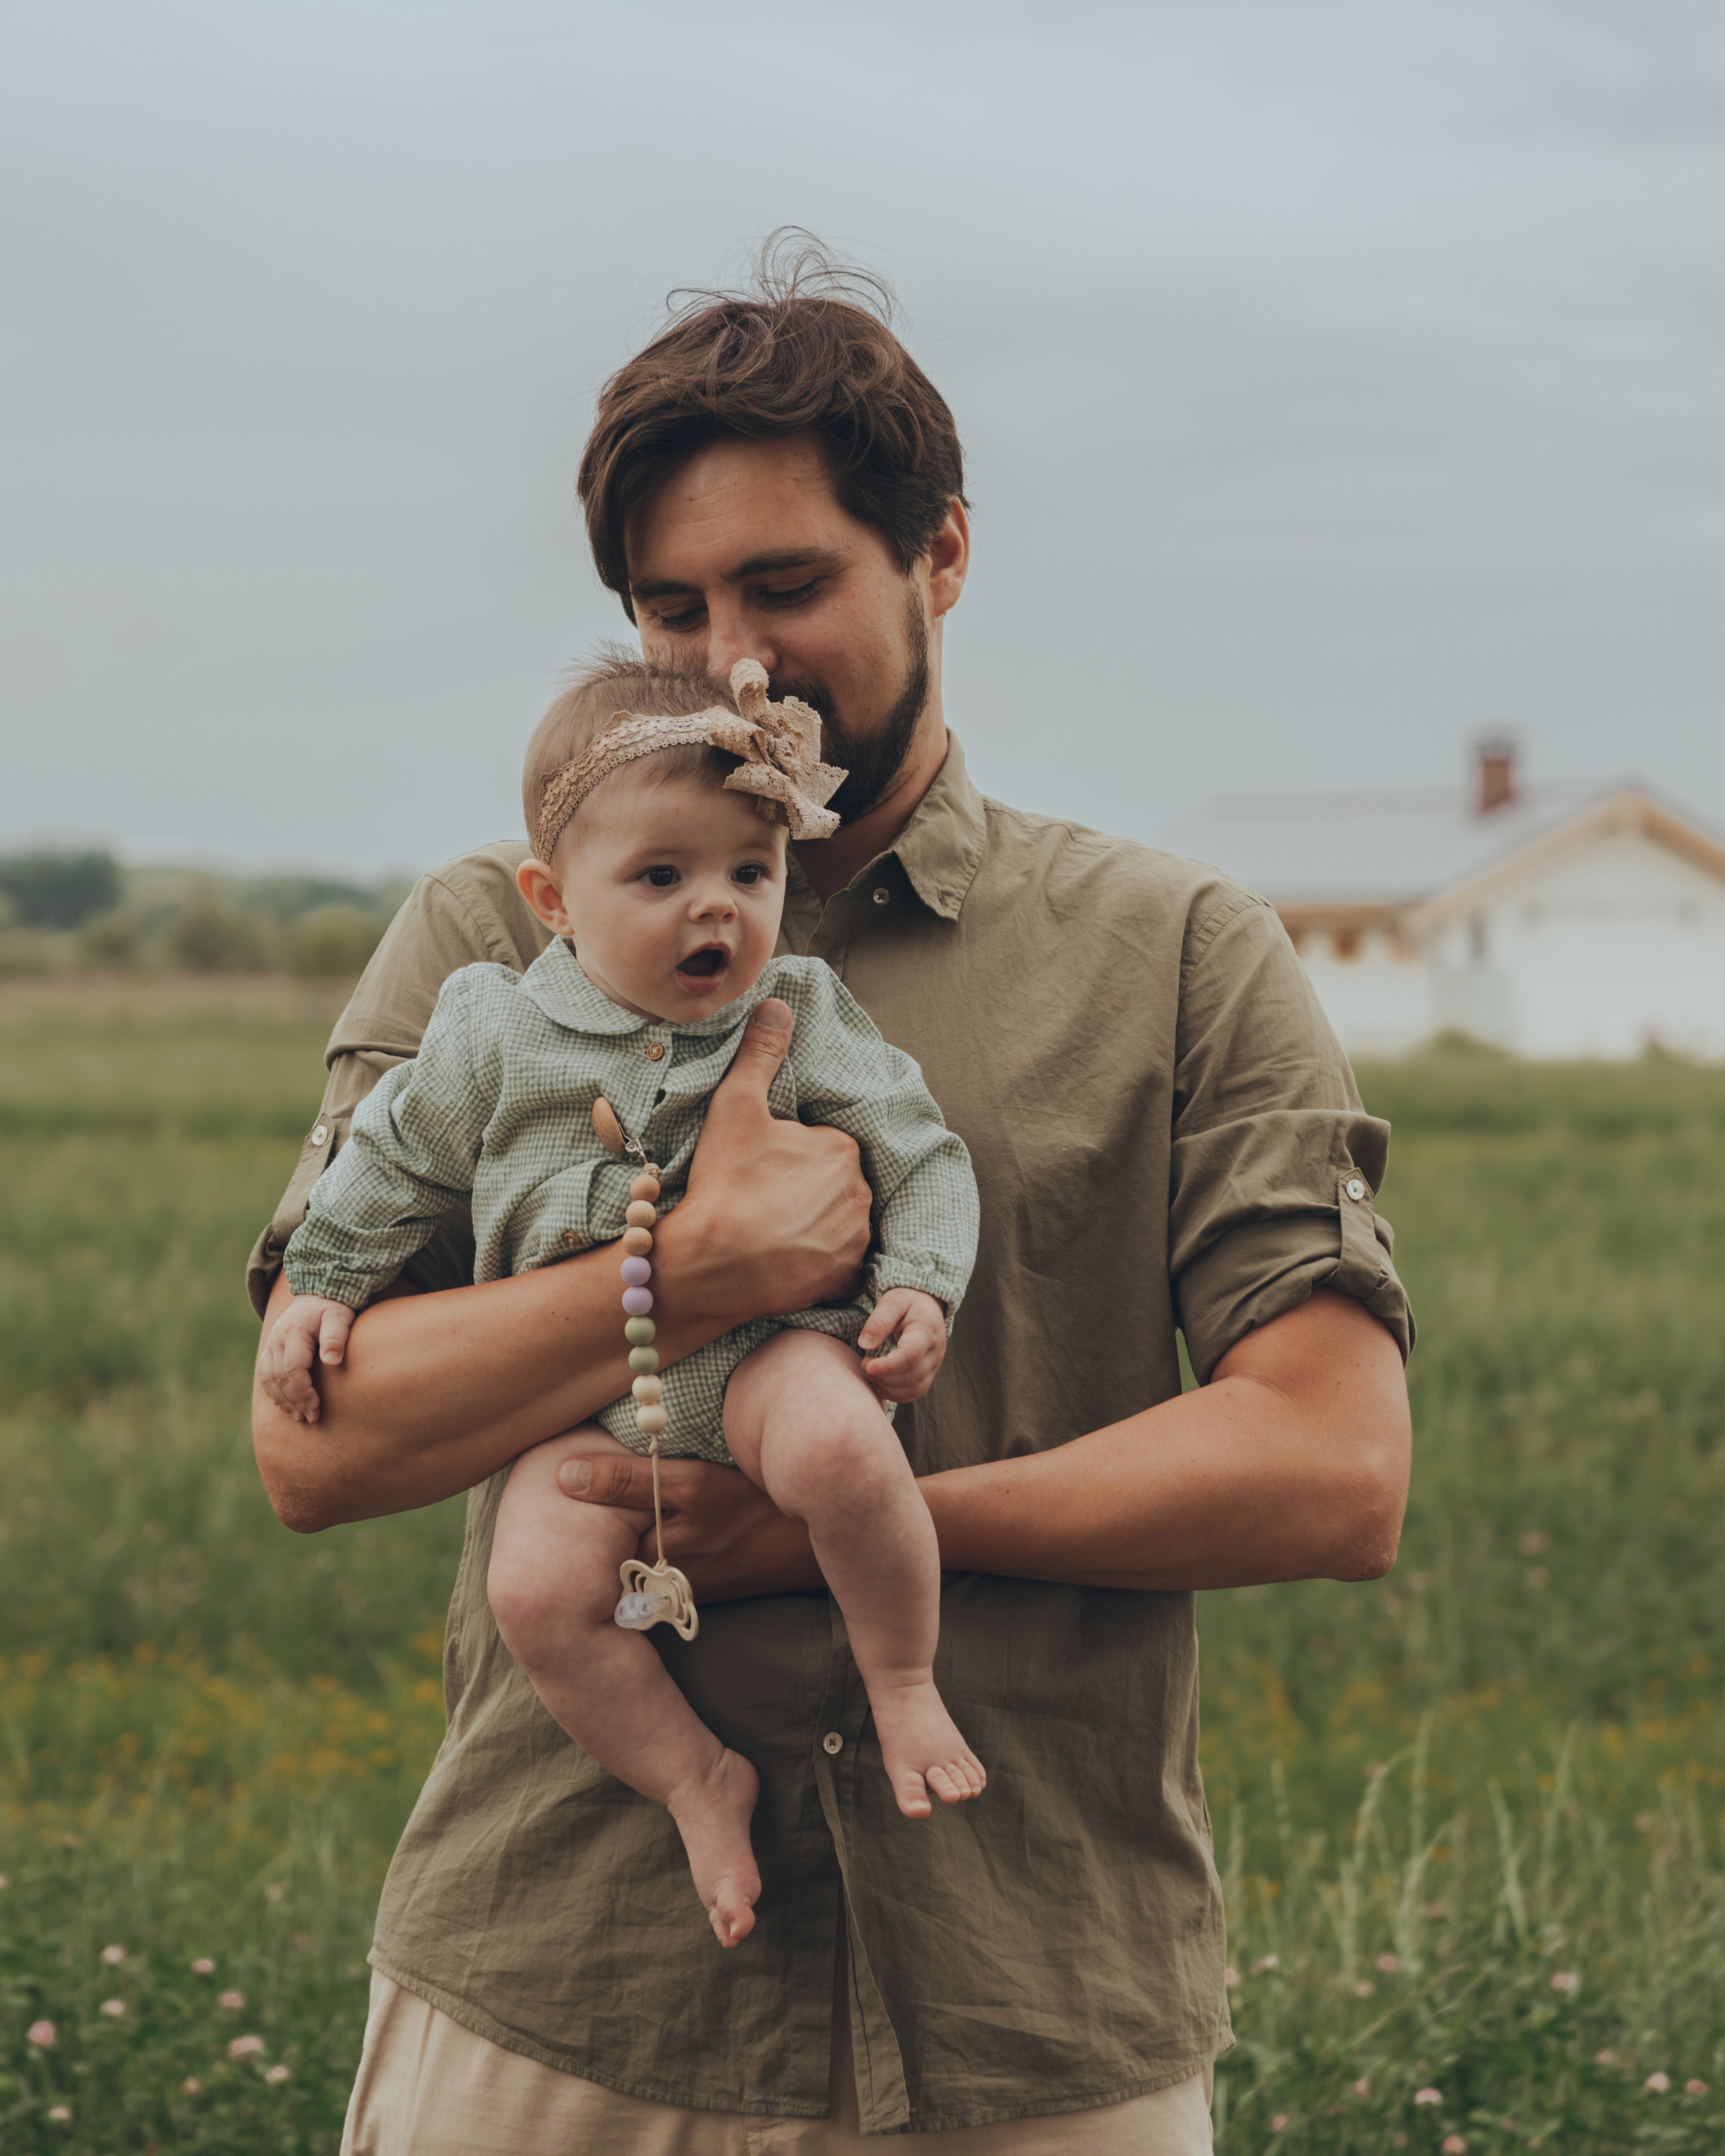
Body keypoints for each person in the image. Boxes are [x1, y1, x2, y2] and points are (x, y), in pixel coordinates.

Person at [251, 240, 1414, 2154]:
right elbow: (315, 1446)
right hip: (560, 2002)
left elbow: (1334, 1468)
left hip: (1029, 2018)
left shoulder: (1178, 949)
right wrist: (694, 1273)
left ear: (939, 554)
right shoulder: (489, 941)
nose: (734, 660)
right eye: (671, 604)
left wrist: (826, 1526)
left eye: (786, 585)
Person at [259, 652, 984, 1950]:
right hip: (584, 1402)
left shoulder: (799, 1009)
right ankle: (696, 1780)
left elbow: (917, 1148)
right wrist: (324, 1279)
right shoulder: (493, 1031)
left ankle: (903, 1678)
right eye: (661, 878)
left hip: (767, 1354)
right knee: (537, 1595)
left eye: (751, 874)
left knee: (842, 1450)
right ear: (554, 899)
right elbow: (395, 1158)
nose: (717, 909)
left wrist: (922, 1287)